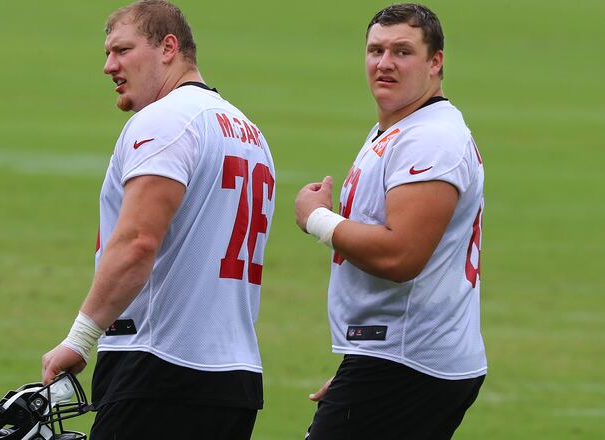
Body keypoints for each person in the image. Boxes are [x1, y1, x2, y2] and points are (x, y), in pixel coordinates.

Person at [41, 1, 276, 439]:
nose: (109, 66)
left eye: (122, 50)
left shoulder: (166, 120)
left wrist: (79, 339)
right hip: (234, 378)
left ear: (168, 47)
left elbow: (137, 243)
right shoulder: (249, 132)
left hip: (159, 367)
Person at [294, 3, 486, 439]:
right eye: (375, 50)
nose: (384, 63)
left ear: (435, 62)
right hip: (394, 357)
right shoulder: (399, 127)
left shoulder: (431, 139)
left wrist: (318, 220)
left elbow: (401, 255)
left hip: (408, 360)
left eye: (402, 52)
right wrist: (360, 365)